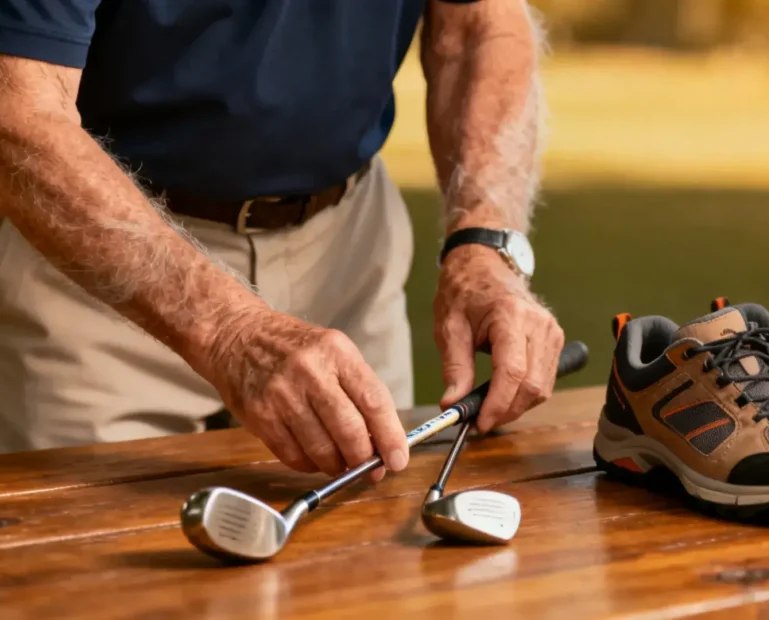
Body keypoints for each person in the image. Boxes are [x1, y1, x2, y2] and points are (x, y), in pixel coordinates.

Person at [0, 0, 564, 480]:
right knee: (91, 586)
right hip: (97, 268)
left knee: (368, 571)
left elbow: (479, 26)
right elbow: (18, 114)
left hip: (347, 249)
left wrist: (486, 246)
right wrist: (230, 330)